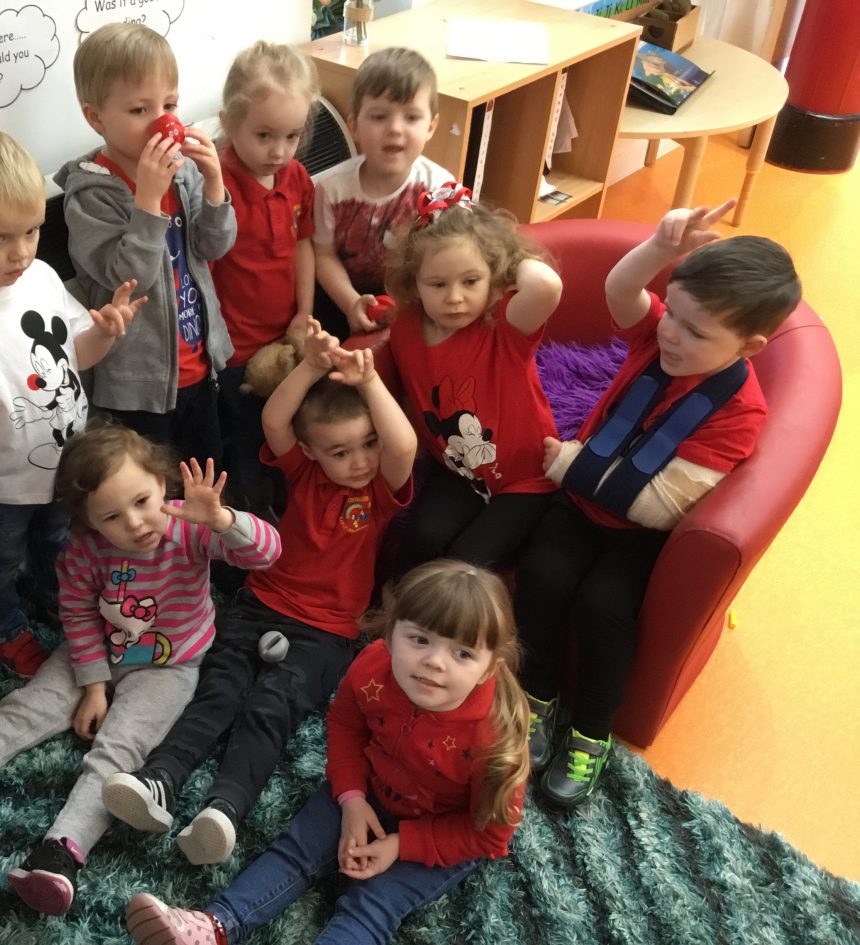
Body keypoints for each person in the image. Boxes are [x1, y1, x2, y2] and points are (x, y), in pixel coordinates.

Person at [0, 423, 280, 917]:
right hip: (96, 649)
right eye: (112, 516)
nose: (135, 523)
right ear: (87, 521)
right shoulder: (83, 550)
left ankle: (63, 853)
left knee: (119, 751)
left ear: (162, 483)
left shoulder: (191, 527)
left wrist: (223, 518)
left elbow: (267, 553)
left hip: (171, 666)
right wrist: (94, 685)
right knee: (20, 711)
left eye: (142, 501)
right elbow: (78, 615)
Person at [516, 201, 801, 807]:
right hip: (581, 506)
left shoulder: (739, 413)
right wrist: (658, 250)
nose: (671, 332)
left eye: (696, 332)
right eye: (673, 312)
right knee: (541, 576)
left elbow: (660, 506)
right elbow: (619, 290)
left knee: (604, 609)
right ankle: (536, 698)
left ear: (749, 346)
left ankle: (591, 732)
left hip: (639, 535)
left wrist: (566, 463)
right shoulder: (659, 337)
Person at [102, 319, 416, 866]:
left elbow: (404, 444)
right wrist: (311, 365)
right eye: (340, 452)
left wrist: (368, 381)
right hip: (261, 602)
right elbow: (274, 419)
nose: (360, 460)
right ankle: (160, 778)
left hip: (327, 632)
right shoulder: (304, 473)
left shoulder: (380, 491)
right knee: (219, 689)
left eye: (368, 444)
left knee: (272, 706)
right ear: (312, 452)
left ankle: (224, 810)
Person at [123, 559, 531, 945]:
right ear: (390, 634)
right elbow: (346, 726)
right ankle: (216, 925)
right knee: (294, 852)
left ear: (490, 668)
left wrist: (401, 845)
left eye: (462, 653)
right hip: (368, 788)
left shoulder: (496, 741)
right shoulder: (373, 665)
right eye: (420, 639)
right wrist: (351, 798)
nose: (435, 662)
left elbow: (489, 832)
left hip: (441, 827)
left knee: (372, 906)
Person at [0, 128, 144, 678]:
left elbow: (77, 355)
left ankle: (56, 595)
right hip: (2, 483)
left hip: (69, 464)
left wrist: (105, 332)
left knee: (58, 541)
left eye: (32, 230)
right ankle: (4, 628)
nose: (20, 252)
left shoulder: (40, 276)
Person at [55, 22, 236, 464]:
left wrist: (214, 184)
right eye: (140, 109)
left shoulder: (184, 171)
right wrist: (149, 202)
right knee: (152, 485)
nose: (162, 122)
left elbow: (215, 247)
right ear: (96, 118)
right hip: (137, 387)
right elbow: (128, 276)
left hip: (199, 365)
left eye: (169, 105)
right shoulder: (91, 194)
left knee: (206, 475)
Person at [383, 184, 562, 578]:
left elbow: (546, 286)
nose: (454, 298)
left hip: (526, 480)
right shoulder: (405, 328)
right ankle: (395, 609)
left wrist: (508, 257)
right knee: (421, 538)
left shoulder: (504, 327)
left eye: (470, 281)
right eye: (438, 284)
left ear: (495, 279)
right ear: (415, 284)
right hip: (459, 473)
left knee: (467, 563)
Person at [213, 40, 322, 519]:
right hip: (235, 353)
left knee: (289, 431)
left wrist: (305, 311)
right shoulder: (216, 182)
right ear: (228, 122)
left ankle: (289, 509)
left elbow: (304, 245)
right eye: (264, 136)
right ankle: (249, 521)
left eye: (292, 136)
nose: (279, 151)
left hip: (287, 340)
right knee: (245, 442)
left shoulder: (296, 178)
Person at [313, 46, 455, 337]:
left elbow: (450, 261)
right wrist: (350, 303)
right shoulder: (329, 189)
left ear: (431, 126)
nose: (395, 129)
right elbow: (323, 256)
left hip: (416, 298)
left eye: (411, 117)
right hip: (342, 296)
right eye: (379, 117)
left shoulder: (441, 188)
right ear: (354, 126)